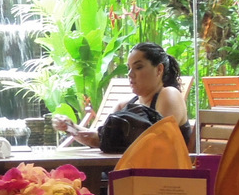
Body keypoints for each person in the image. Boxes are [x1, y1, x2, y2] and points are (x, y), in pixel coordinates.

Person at [53, 42, 191, 148]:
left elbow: (158, 142)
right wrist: (71, 127)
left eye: (138, 67)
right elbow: (100, 137)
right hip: (127, 171)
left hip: (159, 175)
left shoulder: (169, 94)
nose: (130, 74)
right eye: (129, 68)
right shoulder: (124, 104)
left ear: (159, 69)